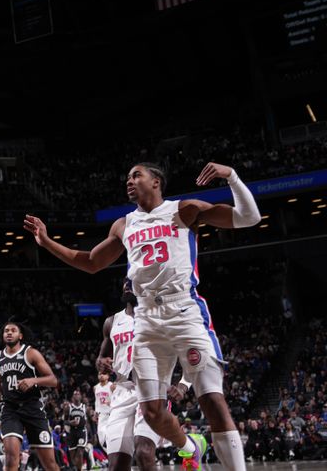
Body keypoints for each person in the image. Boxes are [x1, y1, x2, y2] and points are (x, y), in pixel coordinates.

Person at [24, 161, 260, 470]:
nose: (130, 181)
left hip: (183, 310)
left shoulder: (184, 209)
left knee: (212, 400)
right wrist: (47, 242)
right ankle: (189, 445)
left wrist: (232, 177)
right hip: (146, 320)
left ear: (156, 182)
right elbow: (92, 262)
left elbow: (249, 217)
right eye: (127, 177)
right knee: (151, 411)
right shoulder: (124, 224)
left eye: (137, 175)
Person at [96, 278, 193, 471]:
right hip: (122, 393)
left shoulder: (164, 318)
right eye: (125, 282)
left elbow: (191, 354)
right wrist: (101, 363)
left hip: (153, 390)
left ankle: (190, 448)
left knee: (143, 452)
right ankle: (190, 447)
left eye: (133, 281)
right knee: (116, 466)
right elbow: (101, 358)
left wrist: (183, 384)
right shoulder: (112, 322)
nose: (127, 285)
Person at [0, 321, 60, 471]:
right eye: (6, 331)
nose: (9, 333)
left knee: (49, 464)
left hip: (32, 408)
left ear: (20, 335)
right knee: (10, 460)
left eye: (13, 330)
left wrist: (33, 380)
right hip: (11, 410)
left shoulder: (31, 353)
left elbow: (53, 380)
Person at [63, 390, 88, 471]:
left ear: (81, 396)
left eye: (78, 394)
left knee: (80, 453)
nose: (77, 395)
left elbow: (89, 420)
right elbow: (64, 421)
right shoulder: (68, 408)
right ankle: (77, 467)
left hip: (82, 432)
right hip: (72, 432)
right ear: (73, 397)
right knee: (73, 457)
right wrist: (71, 422)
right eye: (75, 394)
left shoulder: (85, 407)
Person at [92, 372, 112, 452]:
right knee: (101, 436)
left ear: (108, 376)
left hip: (112, 413)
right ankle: (109, 454)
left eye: (103, 374)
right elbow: (97, 401)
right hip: (102, 415)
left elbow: (118, 398)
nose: (101, 375)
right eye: (99, 374)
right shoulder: (95, 387)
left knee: (111, 435)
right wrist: (95, 413)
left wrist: (112, 402)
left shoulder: (112, 386)